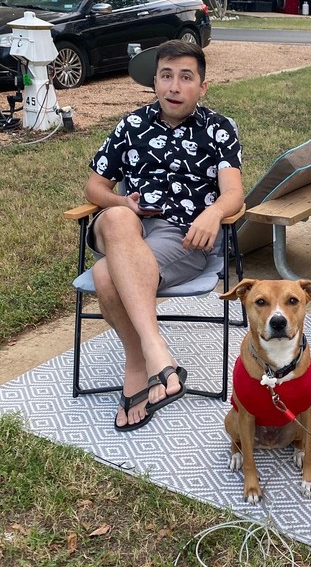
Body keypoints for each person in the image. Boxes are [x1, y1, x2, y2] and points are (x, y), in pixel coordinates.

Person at [84, 39, 244, 432]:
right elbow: (95, 188)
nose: (174, 86)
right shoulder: (132, 125)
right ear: (155, 81)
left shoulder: (218, 129)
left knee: (106, 277)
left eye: (185, 77)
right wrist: (123, 203)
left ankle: (137, 363)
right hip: (128, 224)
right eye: (166, 76)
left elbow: (233, 192)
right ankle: (157, 352)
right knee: (118, 218)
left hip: (181, 235)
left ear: (202, 87)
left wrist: (214, 212)